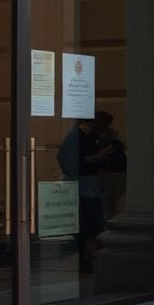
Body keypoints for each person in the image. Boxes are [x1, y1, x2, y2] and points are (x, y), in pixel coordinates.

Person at [59, 113, 116, 272]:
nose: (107, 127)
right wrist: (92, 159)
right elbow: (67, 161)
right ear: (94, 122)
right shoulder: (77, 137)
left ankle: (87, 257)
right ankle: (85, 258)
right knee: (89, 226)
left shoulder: (92, 137)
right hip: (82, 189)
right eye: (105, 123)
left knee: (92, 225)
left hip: (90, 188)